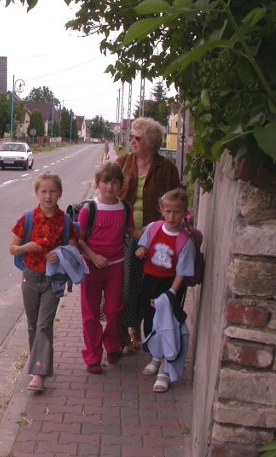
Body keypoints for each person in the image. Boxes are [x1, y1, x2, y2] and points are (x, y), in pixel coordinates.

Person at [115, 117, 180, 354]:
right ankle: (127, 331)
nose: (132, 141)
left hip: (156, 237)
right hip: (126, 235)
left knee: (150, 285)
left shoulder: (167, 169)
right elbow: (109, 193)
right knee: (127, 285)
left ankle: (142, 329)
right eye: (131, 137)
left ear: (152, 142)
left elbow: (176, 201)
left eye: (137, 138)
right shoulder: (122, 163)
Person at [9, 172, 78, 392]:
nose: (48, 196)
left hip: (52, 280)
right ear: (37, 194)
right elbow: (13, 248)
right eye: (43, 191)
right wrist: (26, 247)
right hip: (30, 277)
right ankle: (38, 362)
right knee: (32, 325)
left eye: (52, 191)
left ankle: (39, 372)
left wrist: (60, 255)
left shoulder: (65, 221)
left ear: (60, 194)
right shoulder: (27, 218)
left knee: (43, 324)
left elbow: (73, 249)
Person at [77, 162, 140, 374]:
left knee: (113, 311)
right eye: (106, 181)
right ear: (98, 183)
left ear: (121, 185)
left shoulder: (125, 208)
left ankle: (112, 345)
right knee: (91, 313)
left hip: (116, 267)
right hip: (91, 268)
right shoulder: (89, 210)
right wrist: (93, 257)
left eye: (115, 182)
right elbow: (79, 240)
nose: (110, 186)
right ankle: (93, 355)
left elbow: (133, 231)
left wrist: (155, 237)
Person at [135, 188, 195, 392]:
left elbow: (182, 272)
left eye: (176, 212)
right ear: (161, 210)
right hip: (150, 281)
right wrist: (141, 250)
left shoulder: (185, 241)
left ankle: (165, 369)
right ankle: (156, 355)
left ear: (184, 212)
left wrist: (171, 294)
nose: (171, 216)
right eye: (168, 211)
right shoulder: (153, 228)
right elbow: (142, 246)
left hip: (170, 286)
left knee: (168, 325)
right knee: (150, 321)